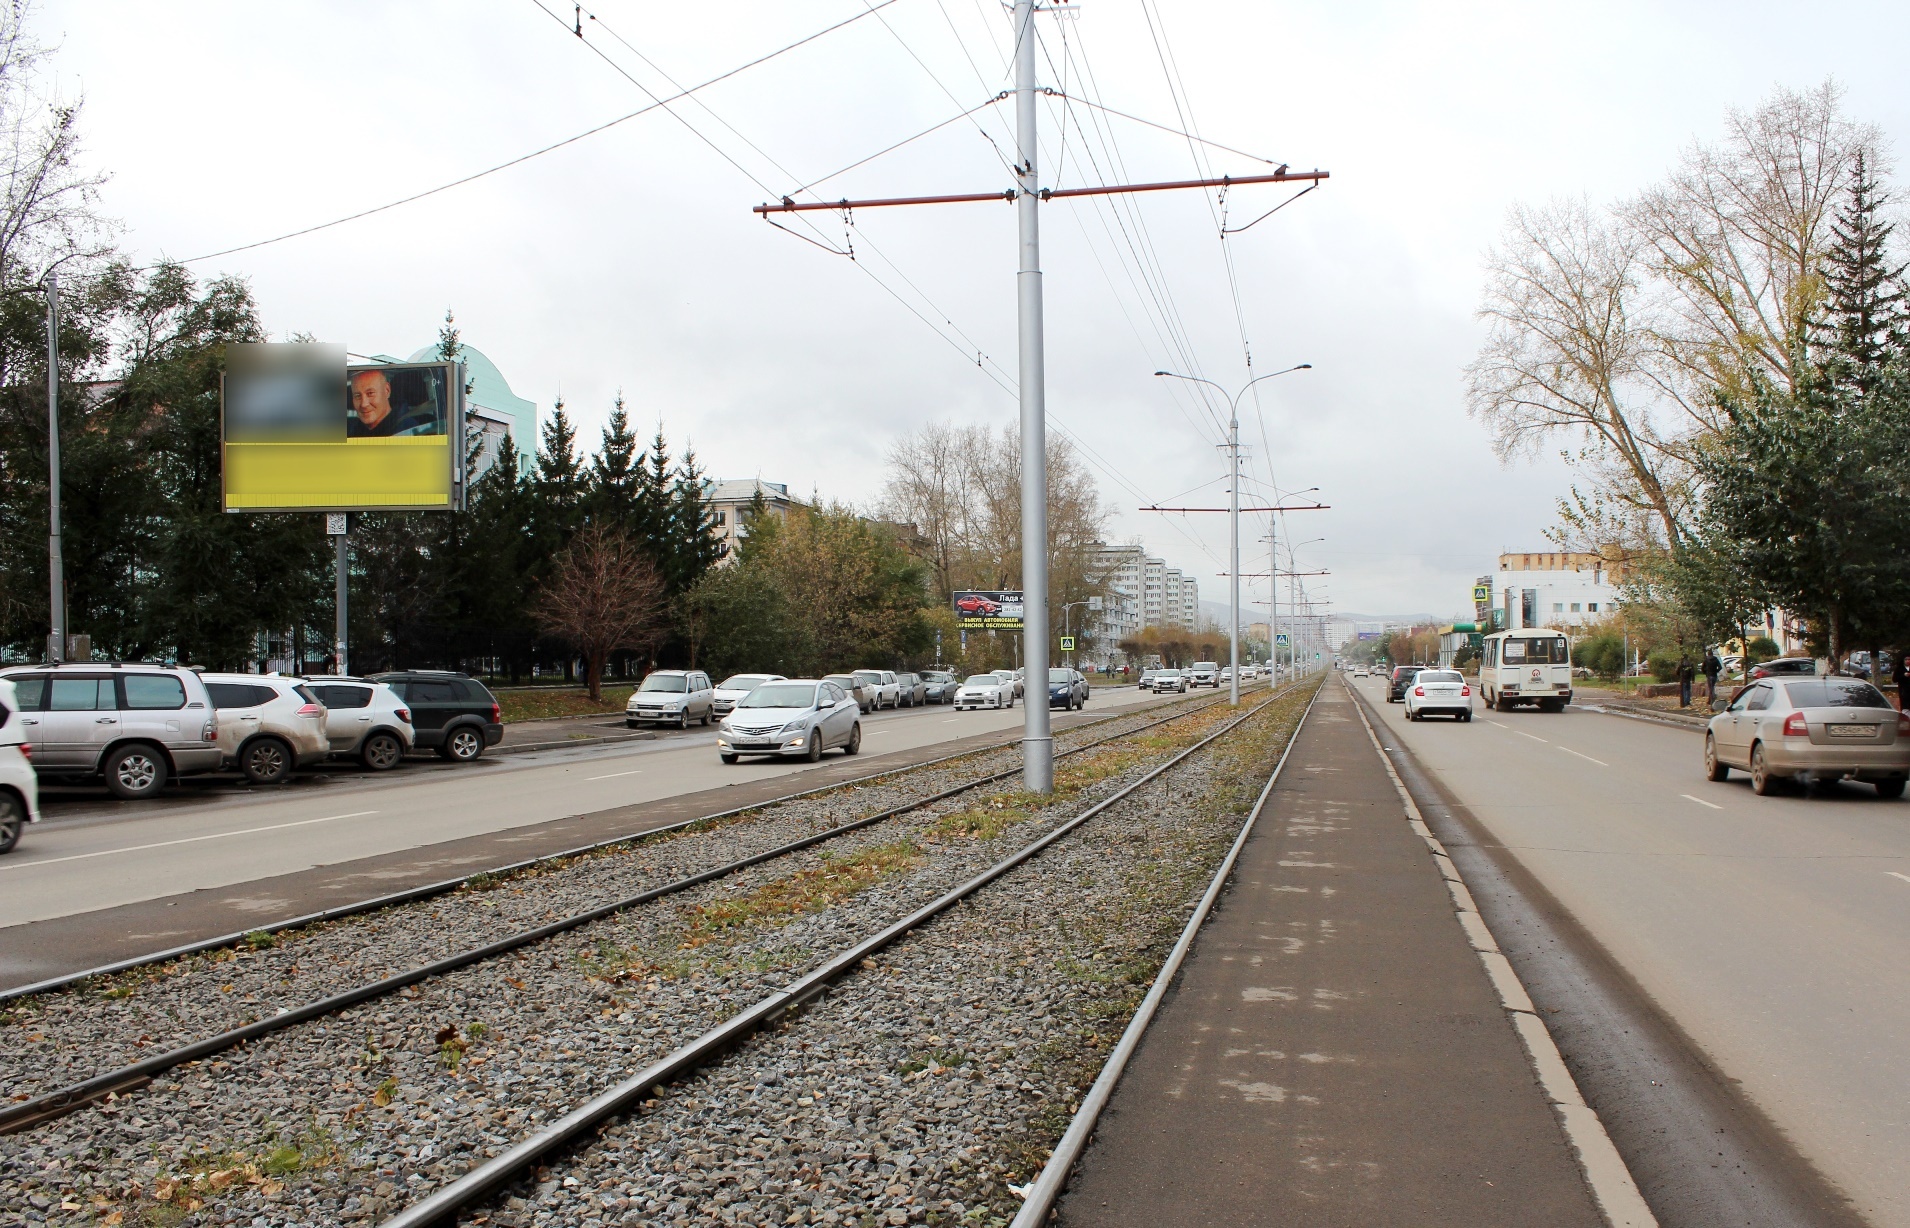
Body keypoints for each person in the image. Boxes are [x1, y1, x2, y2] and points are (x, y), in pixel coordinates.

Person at [347, 368, 440, 437]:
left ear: (387, 391)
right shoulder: (350, 427)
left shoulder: (409, 429)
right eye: (357, 396)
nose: (364, 404)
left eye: (370, 393)